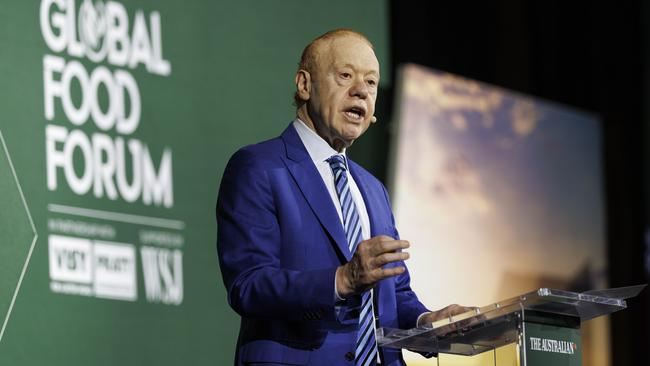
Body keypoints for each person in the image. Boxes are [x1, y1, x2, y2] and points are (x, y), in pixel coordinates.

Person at [217, 29, 472, 366]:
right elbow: (248, 285)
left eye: (370, 83)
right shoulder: (259, 167)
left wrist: (428, 322)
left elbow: (394, 295)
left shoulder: (373, 189)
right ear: (305, 85)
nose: (360, 92)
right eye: (345, 75)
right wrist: (342, 280)